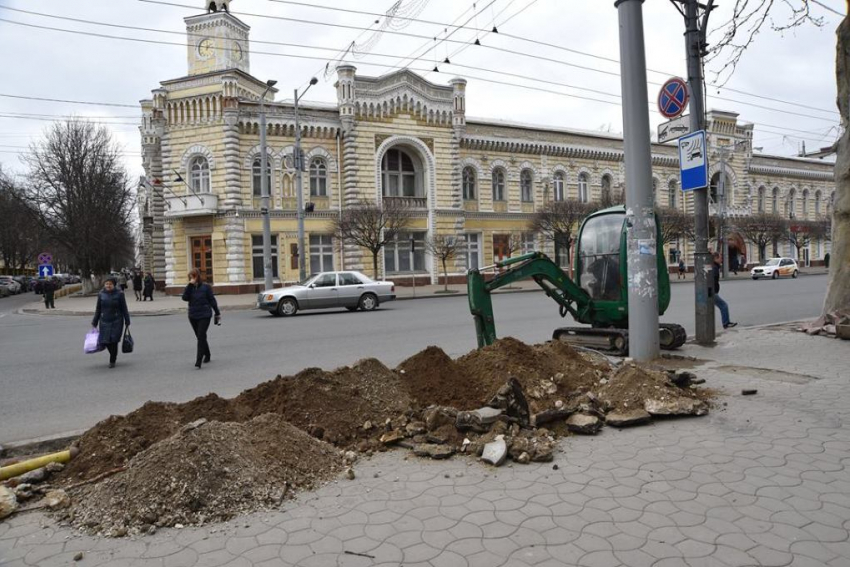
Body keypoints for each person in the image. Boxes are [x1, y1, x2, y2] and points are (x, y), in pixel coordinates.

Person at [182, 268, 221, 369]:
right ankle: (207, 354)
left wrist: (217, 312)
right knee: (200, 336)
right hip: (193, 315)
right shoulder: (189, 288)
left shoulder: (206, 287)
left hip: (205, 314)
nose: (192, 278)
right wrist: (190, 285)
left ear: (198, 276)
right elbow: (184, 298)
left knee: (201, 335)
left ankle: (198, 360)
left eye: (193, 276)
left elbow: (212, 300)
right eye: (190, 277)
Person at [91, 277, 131, 368]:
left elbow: (124, 308)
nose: (108, 286)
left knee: (114, 341)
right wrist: (95, 321)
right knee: (106, 341)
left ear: (114, 285)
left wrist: (127, 320)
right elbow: (98, 309)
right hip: (104, 320)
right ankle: (113, 355)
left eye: (110, 284)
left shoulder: (120, 294)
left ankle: (112, 359)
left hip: (117, 320)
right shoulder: (101, 294)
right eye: (106, 284)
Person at [712, 252, 737, 330]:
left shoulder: (714, 266)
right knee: (724, 305)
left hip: (711, 292)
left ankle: (726, 323)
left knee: (720, 306)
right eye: (720, 258)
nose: (721, 259)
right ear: (715, 258)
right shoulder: (714, 267)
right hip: (712, 292)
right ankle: (726, 323)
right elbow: (712, 280)